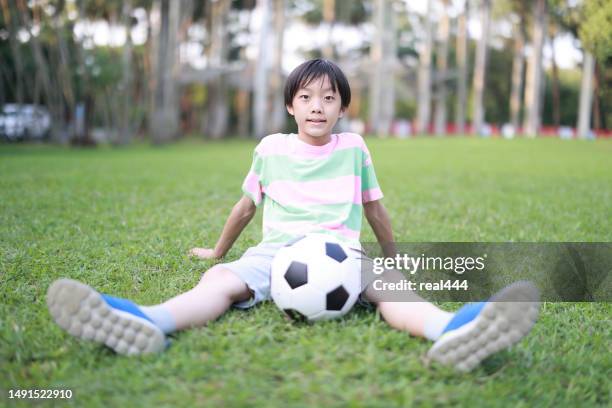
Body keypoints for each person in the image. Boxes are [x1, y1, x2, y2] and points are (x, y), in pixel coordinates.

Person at [47, 59, 540, 372]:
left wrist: (393, 257)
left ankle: (453, 331)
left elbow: (374, 208)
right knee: (218, 282)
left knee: (392, 291)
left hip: (342, 253)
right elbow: (246, 206)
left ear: (343, 107)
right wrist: (218, 251)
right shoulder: (271, 149)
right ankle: (148, 321)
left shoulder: (354, 148)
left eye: (329, 97)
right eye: (306, 97)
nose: (318, 106)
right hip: (273, 253)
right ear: (290, 106)